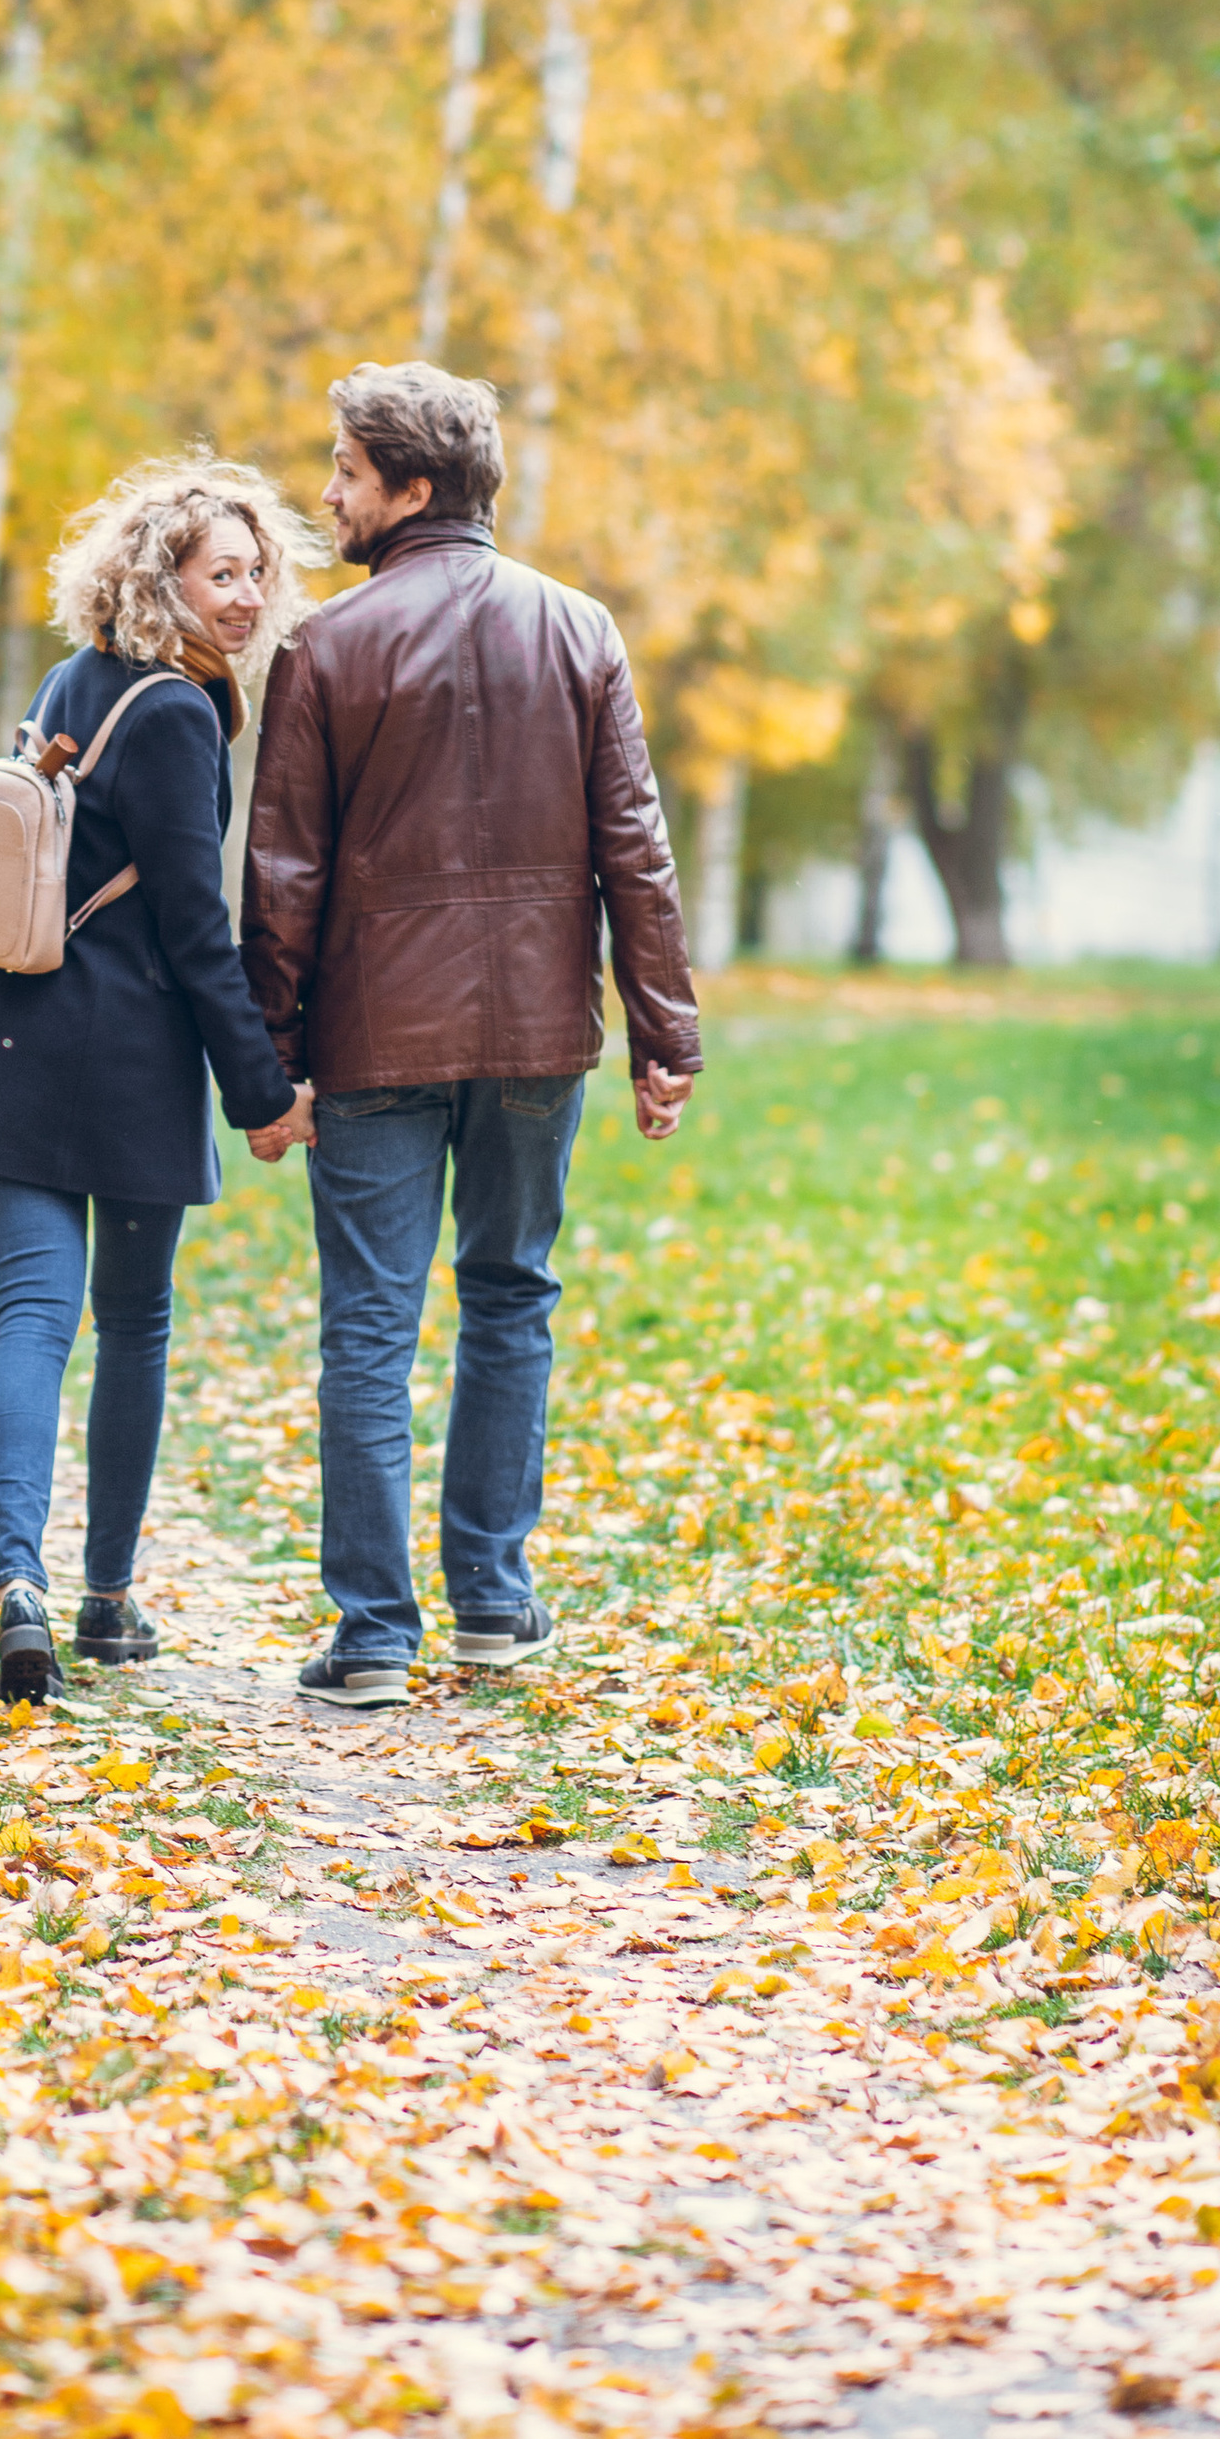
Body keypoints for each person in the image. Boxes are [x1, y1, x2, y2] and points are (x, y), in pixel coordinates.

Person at [240, 361, 701, 1708]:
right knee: (513, 1301)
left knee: (370, 1332)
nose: (326, 495)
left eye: (346, 472)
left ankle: (375, 1637)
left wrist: (270, 1065)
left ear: (414, 489)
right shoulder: (582, 630)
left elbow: (283, 878)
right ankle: (494, 1602)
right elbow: (640, 854)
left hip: (378, 1041)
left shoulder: (328, 646)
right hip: (540, 1037)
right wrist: (663, 1036)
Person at [0, 461, 320, 1703]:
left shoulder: (71, 680)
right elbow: (196, 934)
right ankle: (103, 1599)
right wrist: (260, 1096)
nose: (249, 597)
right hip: (129, 1061)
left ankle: (16, 1580)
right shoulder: (174, 715)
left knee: (30, 1320)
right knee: (129, 1325)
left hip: (14, 1035)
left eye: (258, 573)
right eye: (223, 575)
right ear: (162, 580)